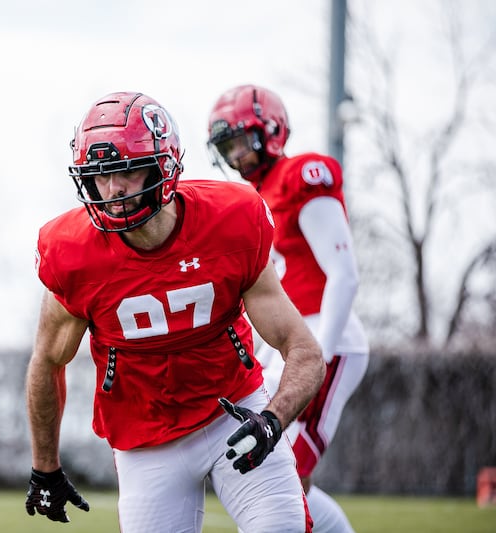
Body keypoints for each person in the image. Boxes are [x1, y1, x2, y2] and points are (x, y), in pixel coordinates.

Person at [24, 91, 326, 533]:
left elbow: (304, 350)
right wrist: (44, 466)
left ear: (164, 165)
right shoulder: (72, 253)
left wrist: (273, 420)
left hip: (234, 410)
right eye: (101, 176)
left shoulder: (231, 220)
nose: (113, 190)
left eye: (126, 170)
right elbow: (47, 362)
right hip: (145, 438)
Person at [206, 84, 370, 533]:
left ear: (270, 130)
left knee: (286, 473)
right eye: (227, 146)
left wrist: (321, 352)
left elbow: (344, 273)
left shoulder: (301, 176)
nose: (236, 154)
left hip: (324, 338)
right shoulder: (252, 200)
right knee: (278, 473)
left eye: (241, 141)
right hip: (291, 346)